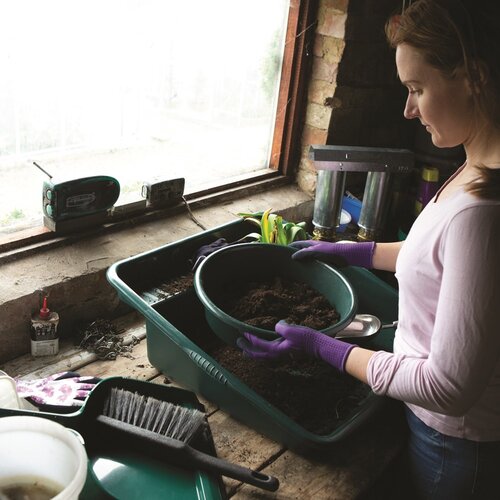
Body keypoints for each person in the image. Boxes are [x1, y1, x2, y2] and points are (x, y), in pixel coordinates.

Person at [237, 1, 500, 498]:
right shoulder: (477, 166)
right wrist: (356, 252)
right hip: (443, 434)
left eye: (417, 89)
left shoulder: (483, 214)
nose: (408, 109)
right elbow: (437, 258)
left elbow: (449, 388)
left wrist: (326, 348)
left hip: (453, 448)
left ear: (473, 77)